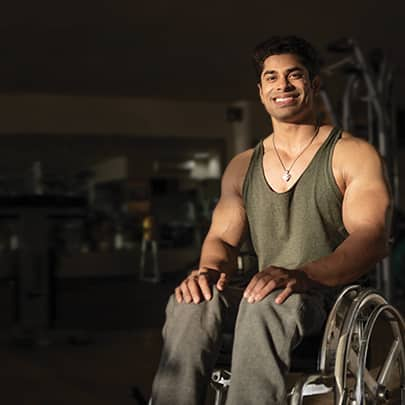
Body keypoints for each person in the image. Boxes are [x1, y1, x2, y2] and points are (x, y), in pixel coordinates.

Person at [150, 35, 392, 405]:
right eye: (271, 77)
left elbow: (371, 237)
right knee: (191, 302)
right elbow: (223, 240)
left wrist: (304, 276)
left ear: (313, 85)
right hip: (261, 291)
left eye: (294, 76)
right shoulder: (242, 165)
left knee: (267, 301)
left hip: (324, 296)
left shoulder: (352, 155)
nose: (282, 85)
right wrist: (207, 273)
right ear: (261, 92)